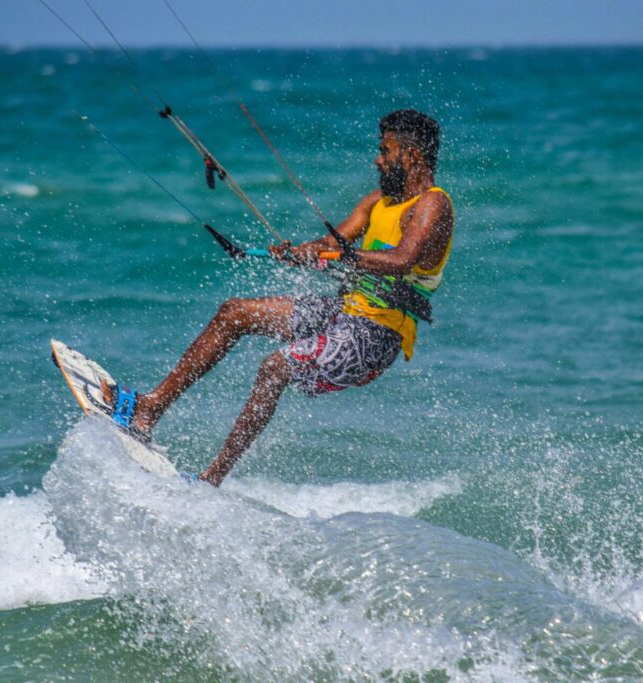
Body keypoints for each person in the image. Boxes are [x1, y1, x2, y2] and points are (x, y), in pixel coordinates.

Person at [101, 109, 455, 486]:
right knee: (234, 313)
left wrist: (339, 256)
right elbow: (331, 243)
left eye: (385, 151)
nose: (377, 159)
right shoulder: (376, 202)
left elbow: (403, 259)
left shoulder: (433, 205)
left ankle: (210, 479)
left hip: (375, 336)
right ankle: (149, 409)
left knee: (275, 367)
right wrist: (302, 251)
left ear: (411, 155)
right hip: (343, 312)